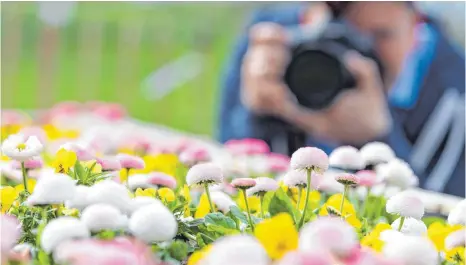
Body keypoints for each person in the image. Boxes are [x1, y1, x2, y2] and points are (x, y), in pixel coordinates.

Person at [217, 2, 465, 196]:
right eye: (338, 32)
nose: (356, 56)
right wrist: (262, 116)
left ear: (416, 26)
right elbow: (230, 179)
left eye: (380, 35)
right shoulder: (271, 43)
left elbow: (445, 220)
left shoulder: (454, 91)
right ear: (308, 16)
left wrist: (377, 139)